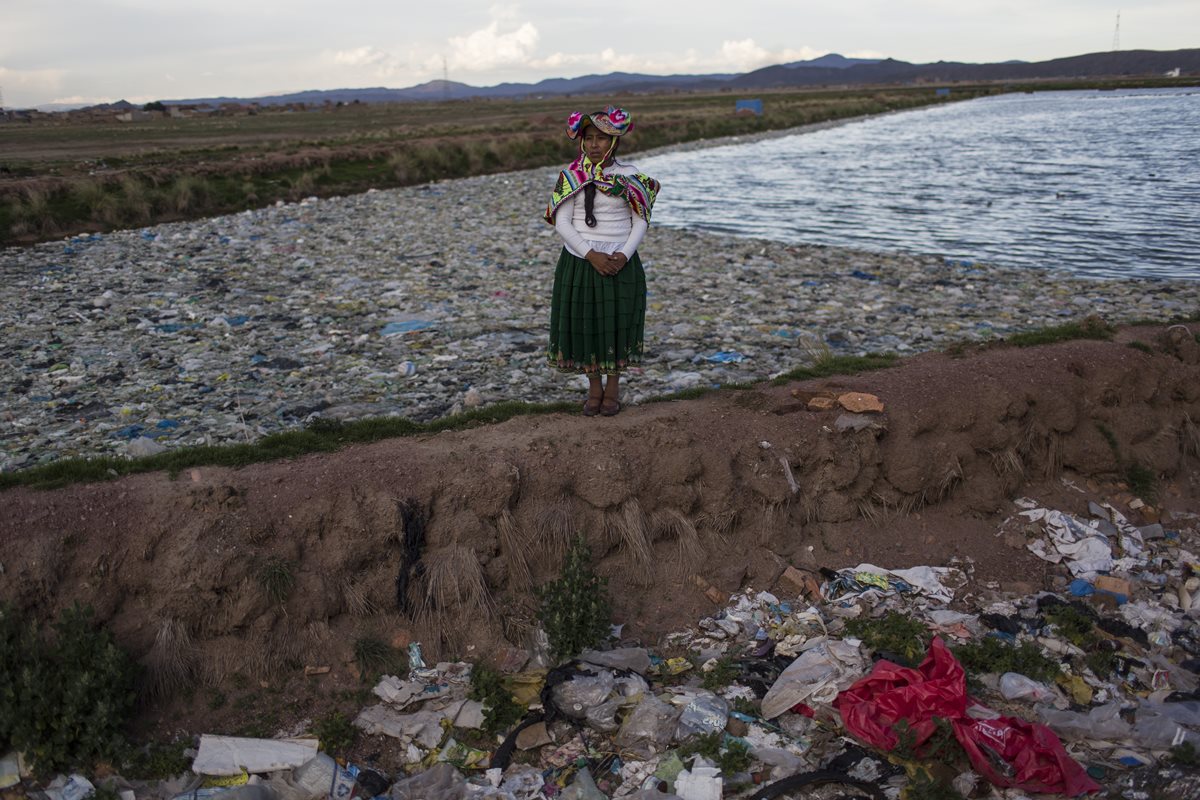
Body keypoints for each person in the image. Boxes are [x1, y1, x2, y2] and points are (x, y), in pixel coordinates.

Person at [544, 106, 660, 417]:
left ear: (614, 142)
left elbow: (641, 221)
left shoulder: (632, 177)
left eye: (602, 138)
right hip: (580, 262)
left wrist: (623, 255)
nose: (595, 144)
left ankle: (613, 388)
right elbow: (563, 222)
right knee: (586, 323)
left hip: (621, 262)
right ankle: (594, 387)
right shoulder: (570, 176)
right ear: (581, 141)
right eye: (589, 138)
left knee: (617, 322)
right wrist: (590, 254)